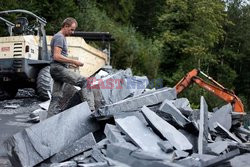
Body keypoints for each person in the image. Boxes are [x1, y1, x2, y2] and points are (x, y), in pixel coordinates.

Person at [48, 17, 95, 116]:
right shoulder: (60, 37)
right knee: (85, 82)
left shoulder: (59, 37)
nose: (73, 32)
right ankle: (91, 111)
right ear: (65, 26)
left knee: (56, 96)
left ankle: (49, 119)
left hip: (56, 68)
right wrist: (74, 61)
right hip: (58, 69)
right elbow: (56, 56)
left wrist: (69, 64)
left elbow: (56, 57)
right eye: (71, 29)